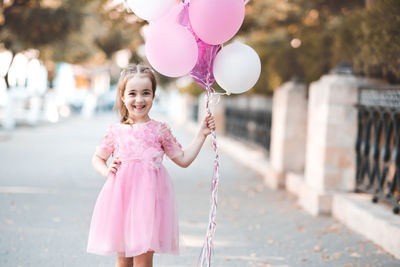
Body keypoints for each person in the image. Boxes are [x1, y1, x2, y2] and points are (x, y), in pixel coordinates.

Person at [87, 64, 216, 267]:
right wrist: (106, 170)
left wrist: (201, 134)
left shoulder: (160, 130)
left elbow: (182, 159)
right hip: (122, 200)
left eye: (146, 93)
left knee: (144, 259)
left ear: (153, 95)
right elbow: (97, 157)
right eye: (132, 93)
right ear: (122, 96)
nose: (139, 100)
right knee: (123, 259)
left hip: (149, 203)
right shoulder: (116, 131)